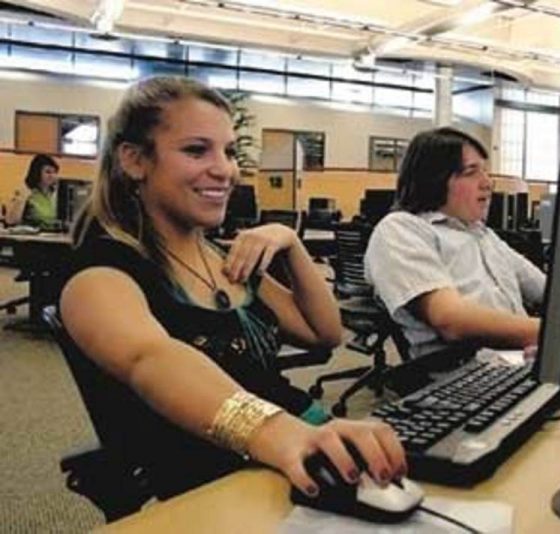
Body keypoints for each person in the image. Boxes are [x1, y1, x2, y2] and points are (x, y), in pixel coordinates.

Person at [60, 76, 405, 500]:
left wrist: (291, 243)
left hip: (305, 445)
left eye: (229, 151)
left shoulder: (226, 259)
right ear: (134, 160)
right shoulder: (99, 273)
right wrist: (283, 434)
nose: (224, 169)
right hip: (239, 476)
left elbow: (325, 334)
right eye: (195, 150)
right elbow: (151, 359)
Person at [364, 127, 546, 360]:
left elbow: (544, 289)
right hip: (466, 375)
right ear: (434, 180)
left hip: (521, 358)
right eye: (471, 172)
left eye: (485, 171)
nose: (487, 183)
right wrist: (555, 335)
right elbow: (451, 320)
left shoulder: (482, 234)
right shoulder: (402, 230)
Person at [5, 153, 60, 229]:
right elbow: (11, 220)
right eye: (48, 172)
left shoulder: (55, 194)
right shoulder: (26, 192)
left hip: (55, 236)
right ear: (36, 172)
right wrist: (21, 198)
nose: (53, 176)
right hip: (33, 237)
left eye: (55, 172)